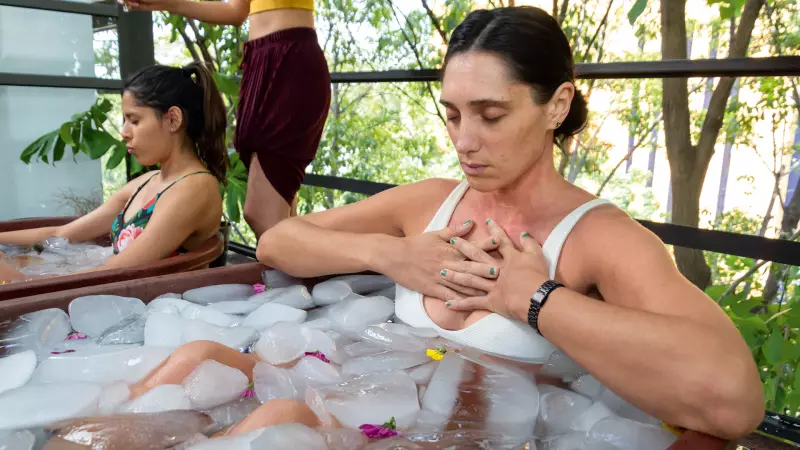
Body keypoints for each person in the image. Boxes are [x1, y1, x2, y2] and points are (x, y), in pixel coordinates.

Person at [103, 6, 762, 444]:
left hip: (458, 432)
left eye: (490, 115)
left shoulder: (594, 237)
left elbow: (733, 401)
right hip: (368, 396)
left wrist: (532, 300)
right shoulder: (432, 202)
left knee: (277, 421)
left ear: (556, 104)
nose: (465, 141)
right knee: (193, 359)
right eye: (451, 114)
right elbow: (277, 240)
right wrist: (393, 258)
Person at [0, 62, 228, 283]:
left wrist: (20, 281)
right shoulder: (148, 181)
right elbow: (61, 234)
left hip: (158, 312)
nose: (124, 132)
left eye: (134, 120)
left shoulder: (195, 188)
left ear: (173, 119)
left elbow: (119, 270)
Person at [123, 0, 331, 237]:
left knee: (263, 215)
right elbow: (236, 12)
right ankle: (310, 271)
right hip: (260, 62)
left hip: (289, 60)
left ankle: (358, 257)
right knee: (280, 213)